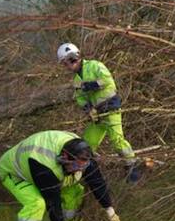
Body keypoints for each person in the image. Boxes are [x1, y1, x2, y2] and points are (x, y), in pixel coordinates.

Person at [0, 130, 122, 221]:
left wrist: (110, 211)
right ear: (64, 157)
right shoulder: (44, 166)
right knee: (37, 203)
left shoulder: (84, 155)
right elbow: (53, 203)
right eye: (75, 167)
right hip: (15, 172)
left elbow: (97, 182)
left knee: (75, 191)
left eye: (82, 168)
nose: (78, 170)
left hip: (49, 165)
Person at [57, 43, 141, 183]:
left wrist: (88, 85)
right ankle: (88, 171)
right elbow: (80, 98)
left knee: (117, 140)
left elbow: (106, 81)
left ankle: (132, 166)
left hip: (110, 108)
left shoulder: (95, 66)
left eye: (66, 63)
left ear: (71, 58)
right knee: (87, 143)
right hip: (97, 113)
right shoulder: (76, 79)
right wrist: (88, 109)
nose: (66, 66)